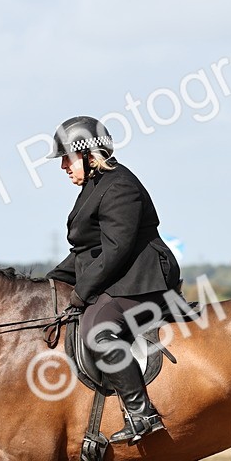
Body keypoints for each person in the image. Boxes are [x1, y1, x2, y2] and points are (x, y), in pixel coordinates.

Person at [45, 116, 182, 444]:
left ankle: (141, 414)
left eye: (67, 156)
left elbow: (115, 250)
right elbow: (85, 253)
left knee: (99, 333)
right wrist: (47, 283)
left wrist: (81, 292)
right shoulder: (94, 187)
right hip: (121, 279)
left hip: (144, 281)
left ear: (90, 156)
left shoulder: (119, 185)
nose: (63, 165)